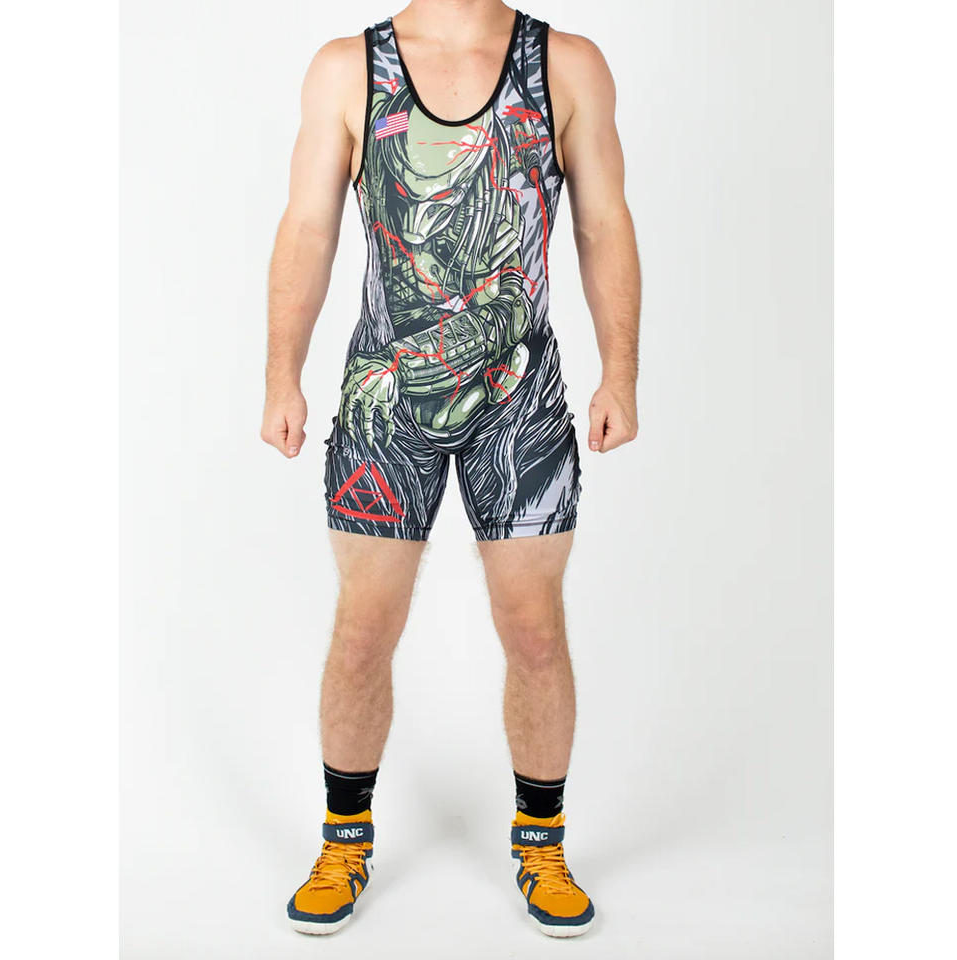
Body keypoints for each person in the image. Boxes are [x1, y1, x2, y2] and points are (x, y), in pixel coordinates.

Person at [261, 0, 641, 939]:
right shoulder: (349, 68)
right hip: (388, 396)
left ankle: (542, 844)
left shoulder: (567, 65)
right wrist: (281, 374)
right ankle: (344, 841)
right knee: (363, 631)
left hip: (520, 400)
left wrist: (620, 374)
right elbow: (309, 229)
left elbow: (603, 224)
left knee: (534, 630)